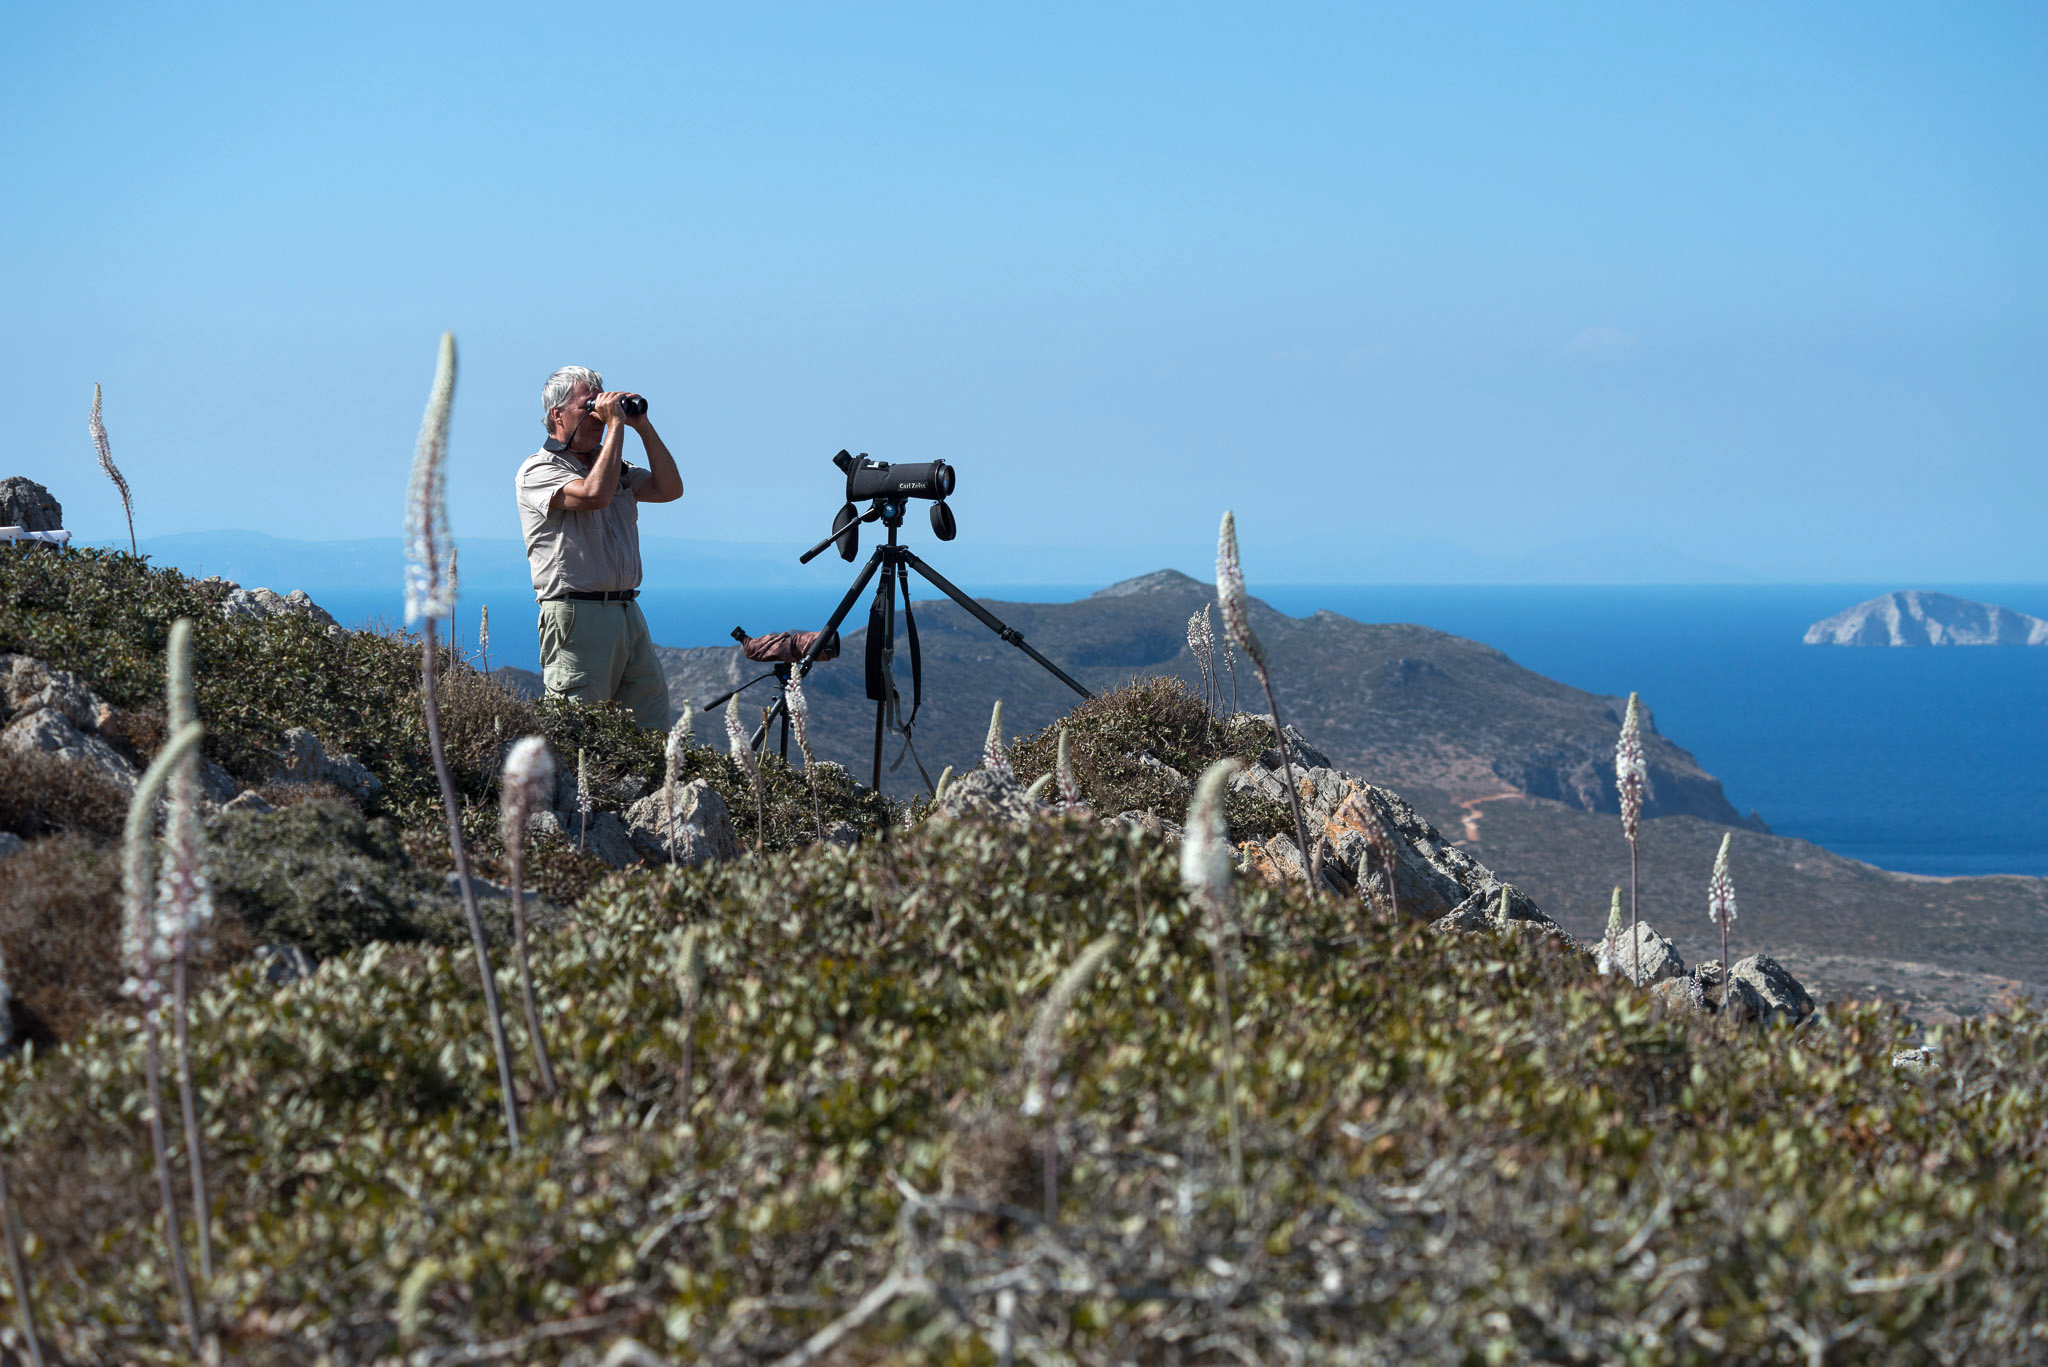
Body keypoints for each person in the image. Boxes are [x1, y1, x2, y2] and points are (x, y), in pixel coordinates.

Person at [513, 365, 684, 728]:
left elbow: (670, 490)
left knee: (650, 727)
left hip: (627, 611)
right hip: (576, 614)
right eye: (586, 406)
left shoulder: (613, 465)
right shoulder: (538, 470)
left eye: (599, 405)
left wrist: (642, 426)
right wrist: (616, 426)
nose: (597, 416)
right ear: (557, 415)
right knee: (580, 730)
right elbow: (594, 495)